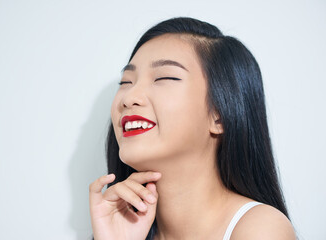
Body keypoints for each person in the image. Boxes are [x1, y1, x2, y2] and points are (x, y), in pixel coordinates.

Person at [89, 17, 296, 240]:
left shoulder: (260, 229)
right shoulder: (124, 229)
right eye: (126, 82)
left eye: (163, 77)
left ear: (219, 115)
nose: (129, 98)